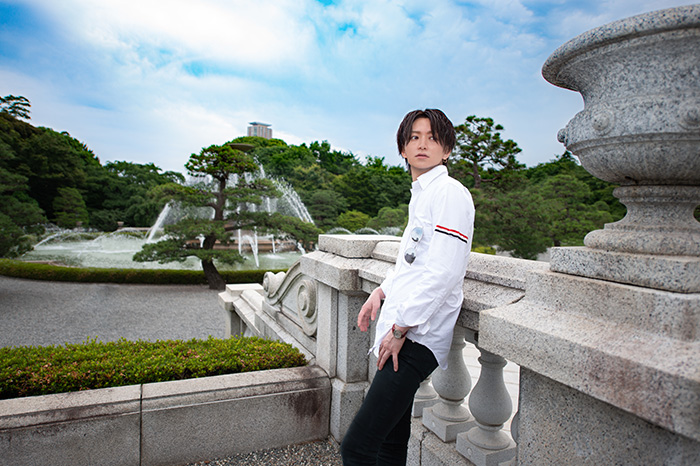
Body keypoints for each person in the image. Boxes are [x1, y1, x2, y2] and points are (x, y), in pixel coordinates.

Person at [340, 109, 475, 465]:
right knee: (390, 441)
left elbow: (444, 272)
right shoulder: (423, 194)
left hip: (417, 337)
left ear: (447, 150)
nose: (422, 144)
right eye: (414, 137)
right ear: (403, 148)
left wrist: (401, 327)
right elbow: (413, 263)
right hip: (405, 331)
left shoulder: (449, 193)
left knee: (357, 447)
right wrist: (381, 292)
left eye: (433, 138)